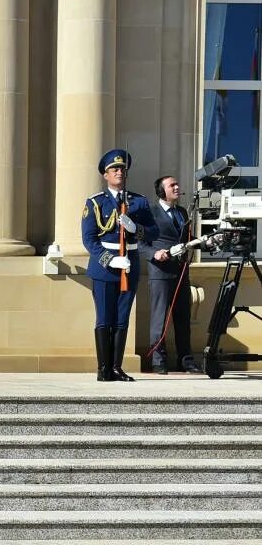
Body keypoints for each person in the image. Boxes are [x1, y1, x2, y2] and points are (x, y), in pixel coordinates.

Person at [81, 149, 157, 382]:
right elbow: (89, 238)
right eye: (114, 169)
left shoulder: (139, 202)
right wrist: (109, 259)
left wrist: (137, 229)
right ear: (106, 174)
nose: (119, 172)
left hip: (129, 265)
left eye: (122, 169)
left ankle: (116, 367)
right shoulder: (96, 203)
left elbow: (154, 231)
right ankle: (103, 368)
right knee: (105, 317)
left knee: (122, 318)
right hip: (105, 267)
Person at [147, 175, 201, 373]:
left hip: (181, 271)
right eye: (172, 185)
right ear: (162, 191)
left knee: (183, 318)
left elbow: (187, 238)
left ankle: (186, 360)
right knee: (159, 319)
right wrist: (154, 253)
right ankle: (158, 361)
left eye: (177, 184)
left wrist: (206, 242)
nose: (177, 187)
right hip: (161, 272)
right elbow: (141, 241)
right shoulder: (151, 213)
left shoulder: (182, 212)